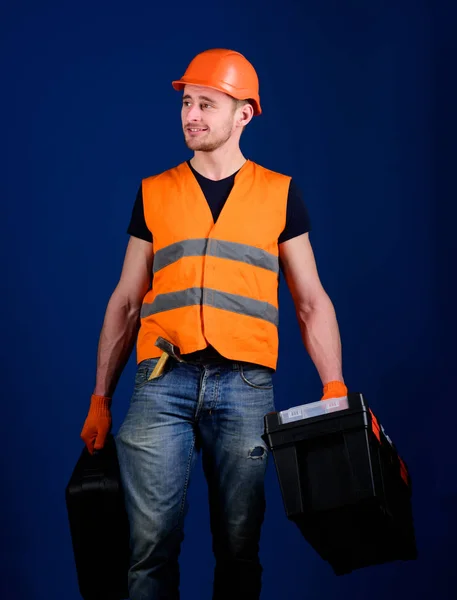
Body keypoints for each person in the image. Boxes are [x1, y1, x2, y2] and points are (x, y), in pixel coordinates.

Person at [80, 48, 348, 600]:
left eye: (206, 103)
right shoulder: (154, 191)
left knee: (239, 550)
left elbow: (311, 301)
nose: (191, 115)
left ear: (244, 114)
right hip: (161, 383)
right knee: (150, 550)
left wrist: (333, 386)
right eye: (186, 103)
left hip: (246, 387)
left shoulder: (279, 193)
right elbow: (127, 301)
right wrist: (100, 397)